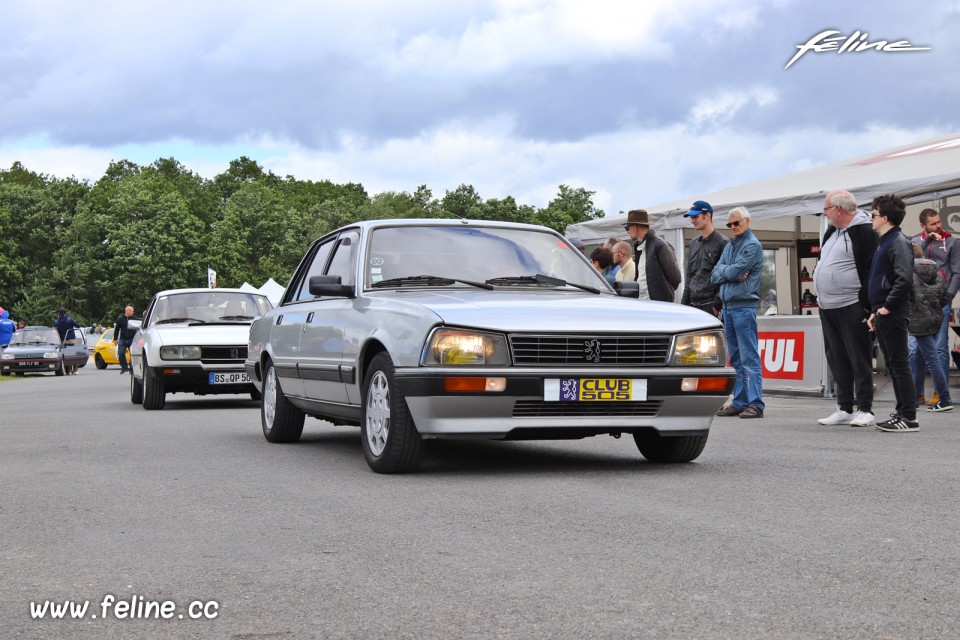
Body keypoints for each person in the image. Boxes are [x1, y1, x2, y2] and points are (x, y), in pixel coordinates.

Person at [814, 190, 879, 427]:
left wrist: (866, 304)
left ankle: (866, 408)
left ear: (839, 209)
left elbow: (871, 268)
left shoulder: (864, 231)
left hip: (851, 304)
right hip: (827, 305)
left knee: (858, 356)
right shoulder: (832, 231)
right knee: (836, 357)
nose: (825, 213)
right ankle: (844, 406)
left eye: (827, 209)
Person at [867, 194, 918, 432]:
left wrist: (886, 307)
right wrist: (876, 311)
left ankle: (909, 417)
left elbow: (904, 279)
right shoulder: (886, 240)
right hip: (885, 311)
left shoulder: (897, 241)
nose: (871, 218)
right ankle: (902, 413)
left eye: (874, 214)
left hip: (893, 311)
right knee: (895, 365)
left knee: (899, 365)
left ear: (885, 218)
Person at [711, 206, 765, 419]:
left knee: (749, 357)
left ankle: (755, 403)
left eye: (737, 223)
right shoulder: (731, 245)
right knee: (735, 358)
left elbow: (732, 271)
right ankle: (740, 401)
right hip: (729, 307)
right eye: (730, 224)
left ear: (747, 221)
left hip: (743, 307)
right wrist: (729, 273)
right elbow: (715, 274)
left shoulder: (752, 245)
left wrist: (727, 272)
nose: (733, 227)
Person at [909, 208, 960, 406]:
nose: (938, 226)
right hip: (917, 302)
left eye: (939, 222)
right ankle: (917, 393)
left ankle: (940, 393)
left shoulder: (952, 242)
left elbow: (957, 273)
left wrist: (948, 297)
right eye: (933, 223)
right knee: (914, 350)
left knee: (939, 347)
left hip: (940, 302)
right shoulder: (915, 240)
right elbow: (912, 260)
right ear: (923, 225)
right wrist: (928, 240)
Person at [909, 244, 953, 412]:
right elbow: (945, 295)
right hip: (934, 318)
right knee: (920, 357)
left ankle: (945, 398)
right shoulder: (937, 271)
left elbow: (905, 295)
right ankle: (914, 398)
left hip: (917, 320)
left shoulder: (909, 272)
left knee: (931, 358)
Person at [622, 209, 682, 301]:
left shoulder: (660, 245)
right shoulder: (640, 247)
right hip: (644, 304)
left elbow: (676, 278)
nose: (627, 231)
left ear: (635, 227)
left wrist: (662, 296)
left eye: (627, 228)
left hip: (658, 306)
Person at [680, 200, 728, 316]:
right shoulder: (693, 243)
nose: (692, 220)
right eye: (691, 217)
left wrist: (716, 306)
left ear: (707, 216)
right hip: (692, 305)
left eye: (695, 216)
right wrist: (683, 304)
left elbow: (726, 277)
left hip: (710, 305)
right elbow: (690, 275)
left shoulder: (723, 242)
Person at [53, 307, 82, 375]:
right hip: (71, 340)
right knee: (74, 354)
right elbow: (78, 326)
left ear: (59, 314)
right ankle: (75, 370)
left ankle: (68, 370)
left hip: (62, 340)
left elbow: (56, 331)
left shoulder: (56, 322)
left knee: (65, 355)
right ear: (65, 313)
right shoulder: (70, 320)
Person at [113, 305, 137, 374]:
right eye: (132, 311)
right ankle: (124, 368)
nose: (133, 312)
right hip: (123, 339)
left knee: (133, 354)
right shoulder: (120, 319)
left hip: (132, 339)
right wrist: (115, 339)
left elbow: (139, 328)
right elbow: (116, 329)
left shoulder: (135, 319)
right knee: (121, 353)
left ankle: (132, 368)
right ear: (128, 311)